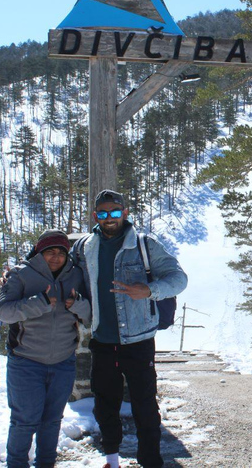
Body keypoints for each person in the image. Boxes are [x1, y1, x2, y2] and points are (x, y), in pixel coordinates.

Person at [71, 189, 187, 468]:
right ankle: (111, 459)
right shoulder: (86, 246)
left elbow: (179, 279)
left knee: (145, 405)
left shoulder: (145, 244)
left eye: (114, 212)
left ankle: (151, 461)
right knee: (104, 405)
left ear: (125, 212)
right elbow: (53, 258)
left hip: (138, 340)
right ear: (95, 215)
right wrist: (16, 273)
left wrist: (149, 290)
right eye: (103, 213)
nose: (109, 218)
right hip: (102, 339)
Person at [0, 229, 91, 468]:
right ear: (40, 251)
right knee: (24, 421)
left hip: (63, 360)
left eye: (61, 252)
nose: (56, 257)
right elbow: (4, 312)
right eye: (50, 251)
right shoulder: (21, 275)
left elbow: (91, 316)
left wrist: (78, 304)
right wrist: (37, 303)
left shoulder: (75, 275)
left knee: (52, 421)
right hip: (26, 361)